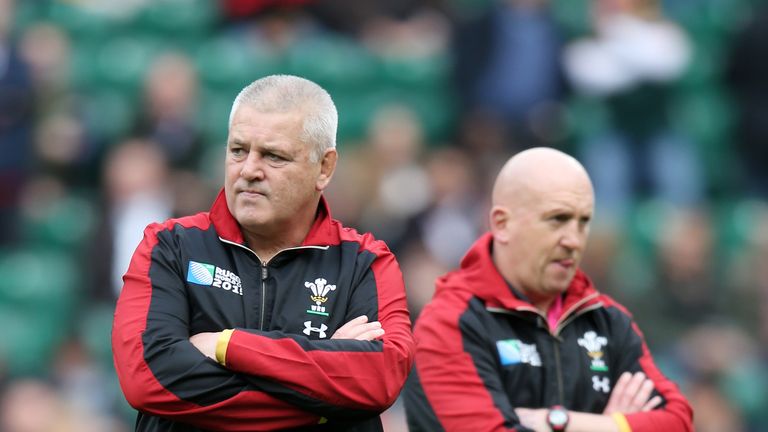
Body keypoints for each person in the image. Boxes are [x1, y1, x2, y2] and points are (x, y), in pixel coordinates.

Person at [112, 74, 415, 431]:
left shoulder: (365, 263)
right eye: (238, 150)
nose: (249, 170)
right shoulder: (169, 246)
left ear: (324, 167)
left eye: (274, 156)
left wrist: (228, 345)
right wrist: (323, 400)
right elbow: (147, 379)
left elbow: (379, 378)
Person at [403, 147, 693, 431]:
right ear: (502, 224)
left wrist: (563, 423)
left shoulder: (607, 320)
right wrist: (614, 427)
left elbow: (679, 421)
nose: (575, 240)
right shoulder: (450, 324)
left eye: (583, 222)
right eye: (558, 219)